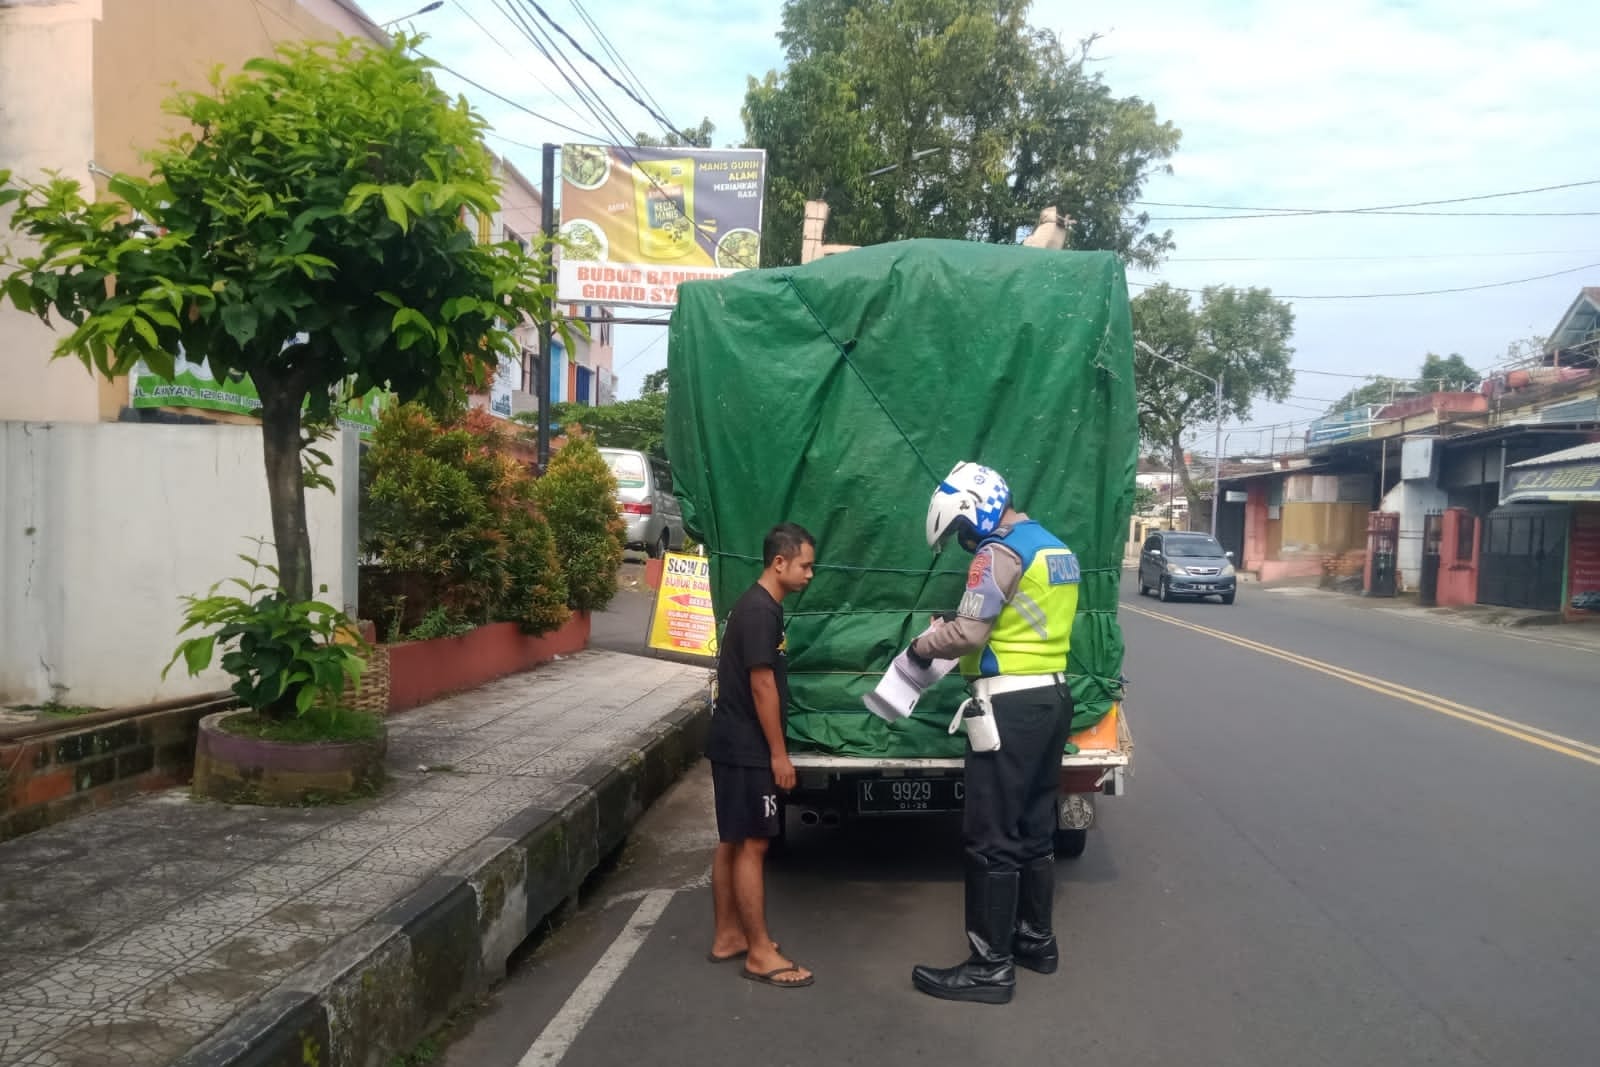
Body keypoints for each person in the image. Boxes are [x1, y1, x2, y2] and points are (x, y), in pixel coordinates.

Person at [906, 462, 1081, 1004]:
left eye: (962, 529)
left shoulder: (997, 551)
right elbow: (1018, 620)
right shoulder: (1054, 547)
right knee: (1034, 829)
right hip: (1053, 698)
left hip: (1009, 706)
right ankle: (1036, 942)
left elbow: (968, 633)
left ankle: (990, 968)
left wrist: (920, 648)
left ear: (975, 511)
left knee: (990, 837)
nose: (965, 541)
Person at [706, 522, 817, 989]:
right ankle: (758, 953)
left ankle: (728, 936)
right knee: (754, 843)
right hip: (746, 747)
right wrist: (779, 755)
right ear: (779, 562)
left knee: (733, 841)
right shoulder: (760, 612)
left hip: (733, 742)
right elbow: (762, 684)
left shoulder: (760, 607)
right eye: (805, 565)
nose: (810, 574)